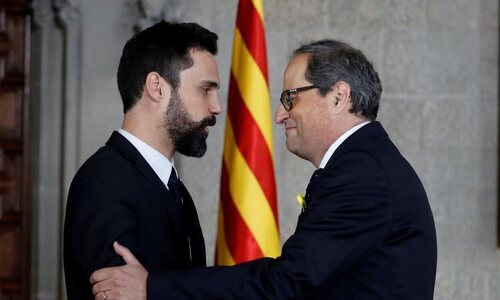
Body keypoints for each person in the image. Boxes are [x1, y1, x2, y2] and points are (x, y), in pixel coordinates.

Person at [90, 40, 437, 299]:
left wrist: (152, 286)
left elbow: (287, 282)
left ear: (338, 96)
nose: (280, 114)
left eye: (291, 97)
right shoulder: (365, 164)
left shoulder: (363, 174)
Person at [63, 20, 222, 299]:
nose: (216, 107)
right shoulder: (105, 182)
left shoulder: (173, 187)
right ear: (157, 87)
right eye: (205, 89)